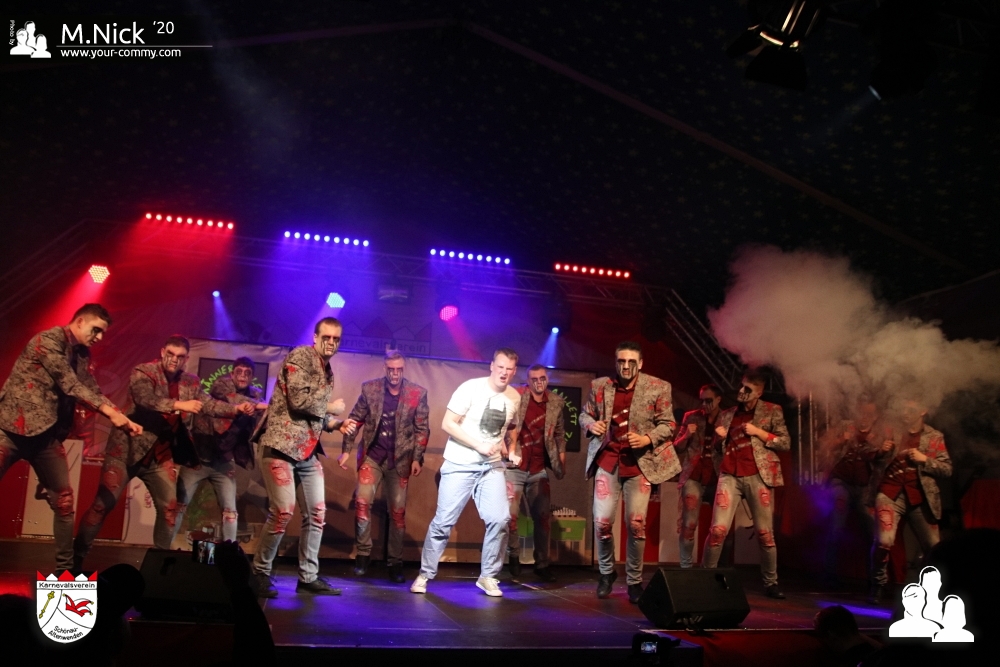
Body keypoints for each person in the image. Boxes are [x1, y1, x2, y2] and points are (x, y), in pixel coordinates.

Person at [74, 335, 247, 570]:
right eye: (170, 354)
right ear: (163, 352)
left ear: (186, 359)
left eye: (180, 356)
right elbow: (145, 399)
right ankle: (76, 558)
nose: (174, 360)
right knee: (101, 506)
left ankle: (159, 566)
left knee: (169, 510)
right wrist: (178, 405)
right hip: (127, 451)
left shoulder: (190, 382)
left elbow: (207, 404)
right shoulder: (144, 371)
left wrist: (235, 409)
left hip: (160, 456)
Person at [0, 304, 141, 571]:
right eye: (96, 330)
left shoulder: (82, 354)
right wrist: (110, 413)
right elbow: (69, 383)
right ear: (79, 321)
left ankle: (66, 571)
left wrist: (120, 416)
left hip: (46, 437)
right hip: (10, 429)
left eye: (102, 332)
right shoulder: (48, 340)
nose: (99, 337)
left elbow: (90, 389)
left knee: (64, 503)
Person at [250, 318, 349, 598]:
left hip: (306, 450)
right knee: (282, 511)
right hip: (280, 446)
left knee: (317, 514)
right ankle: (259, 572)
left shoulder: (326, 370)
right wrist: (331, 407)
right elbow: (298, 400)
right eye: (326, 337)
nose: (331, 343)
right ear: (315, 337)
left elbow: (311, 415)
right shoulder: (301, 356)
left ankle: (308, 576)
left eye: (336, 339)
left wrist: (335, 424)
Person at [411, 348, 521, 598]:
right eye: (500, 367)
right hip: (460, 463)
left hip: (491, 466)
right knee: (443, 522)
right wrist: (478, 445)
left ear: (514, 371)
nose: (504, 373)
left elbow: (508, 429)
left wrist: (511, 450)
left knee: (500, 519)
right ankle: (425, 574)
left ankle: (488, 576)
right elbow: (447, 423)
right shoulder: (470, 388)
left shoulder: (514, 397)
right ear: (492, 366)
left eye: (509, 369)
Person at [579, 341, 679, 603]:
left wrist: (647, 438)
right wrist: (591, 425)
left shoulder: (658, 387)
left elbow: (669, 424)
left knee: (636, 525)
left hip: (639, 464)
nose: (625, 366)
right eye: (621, 361)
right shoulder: (600, 386)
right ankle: (606, 572)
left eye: (631, 362)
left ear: (640, 363)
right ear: (616, 362)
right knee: (602, 522)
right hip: (608, 461)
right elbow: (584, 415)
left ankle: (634, 580)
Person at [339, 350, 430, 583]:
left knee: (397, 513)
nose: (395, 374)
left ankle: (395, 561)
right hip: (373, 456)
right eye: (391, 369)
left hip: (400, 460)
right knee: (362, 503)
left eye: (399, 369)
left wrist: (417, 458)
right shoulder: (370, 389)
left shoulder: (417, 393)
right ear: (384, 368)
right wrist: (346, 450)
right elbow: (354, 419)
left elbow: (421, 429)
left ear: (404, 368)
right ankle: (363, 554)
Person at [701, 369, 791, 599]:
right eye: (741, 386)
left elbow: (784, 442)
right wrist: (719, 438)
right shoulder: (727, 414)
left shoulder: (772, 411)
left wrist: (759, 432)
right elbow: (715, 449)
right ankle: (703, 578)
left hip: (757, 475)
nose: (742, 391)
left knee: (765, 533)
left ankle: (771, 583)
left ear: (758, 392)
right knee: (718, 530)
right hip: (729, 474)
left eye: (748, 389)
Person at [174, 357, 267, 543]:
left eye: (247, 373)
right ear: (232, 374)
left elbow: (262, 419)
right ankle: (163, 549)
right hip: (199, 457)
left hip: (223, 461)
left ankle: (229, 551)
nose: (242, 376)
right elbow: (233, 400)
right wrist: (258, 406)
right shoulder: (221, 385)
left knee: (230, 511)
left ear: (252, 377)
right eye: (239, 372)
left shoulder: (256, 396)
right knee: (179, 506)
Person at [868, 399, 952, 604]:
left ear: (923, 411)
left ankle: (935, 591)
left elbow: (947, 469)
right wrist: (881, 452)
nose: (905, 413)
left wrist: (925, 460)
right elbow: (867, 457)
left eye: (911, 410)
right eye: (903, 409)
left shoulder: (934, 436)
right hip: (890, 493)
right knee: (884, 542)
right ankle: (877, 584)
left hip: (920, 497)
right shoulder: (891, 431)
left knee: (934, 547)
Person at [505, 364, 566, 582]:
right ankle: (513, 554)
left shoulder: (556, 402)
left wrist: (562, 457)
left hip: (539, 468)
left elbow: (559, 433)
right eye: (534, 379)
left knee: (542, 518)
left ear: (547, 379)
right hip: (516, 465)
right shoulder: (517, 396)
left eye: (542, 378)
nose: (539, 382)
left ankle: (542, 563)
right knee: (510, 515)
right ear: (528, 381)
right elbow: (506, 423)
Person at [821, 398, 883, 585]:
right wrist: (842, 440)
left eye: (869, 414)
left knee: (871, 529)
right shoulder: (845, 427)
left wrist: (877, 447)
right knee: (837, 522)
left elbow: (884, 458)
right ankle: (829, 574)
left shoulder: (879, 434)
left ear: (875, 417)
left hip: (865, 487)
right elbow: (824, 446)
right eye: (862, 413)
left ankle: (874, 578)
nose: (864, 417)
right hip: (841, 482)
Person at [673, 383, 723, 569]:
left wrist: (723, 437)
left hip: (718, 477)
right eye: (702, 401)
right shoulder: (691, 416)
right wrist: (686, 435)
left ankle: (711, 568)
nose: (704, 405)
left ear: (718, 400)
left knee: (719, 528)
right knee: (689, 524)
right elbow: (677, 446)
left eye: (709, 400)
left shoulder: (727, 418)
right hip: (694, 475)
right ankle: (686, 567)